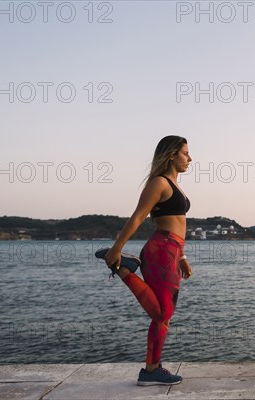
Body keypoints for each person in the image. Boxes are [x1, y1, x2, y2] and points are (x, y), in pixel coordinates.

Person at [104, 135, 193, 386]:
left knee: (163, 316)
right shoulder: (159, 183)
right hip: (161, 251)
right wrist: (116, 249)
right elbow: (138, 217)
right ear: (172, 154)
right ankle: (124, 270)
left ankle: (152, 369)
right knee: (163, 313)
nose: (190, 158)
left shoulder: (174, 185)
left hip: (172, 251)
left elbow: (178, 223)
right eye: (185, 153)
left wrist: (183, 257)